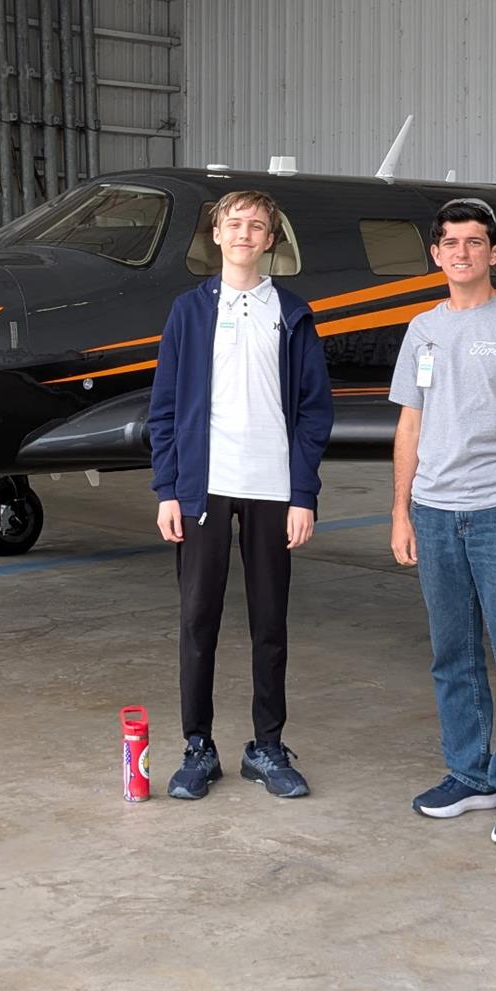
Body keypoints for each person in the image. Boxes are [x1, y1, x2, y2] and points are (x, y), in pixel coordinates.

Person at [148, 190, 333, 800]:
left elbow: (314, 411)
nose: (245, 234)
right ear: (217, 235)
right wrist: (168, 489)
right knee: (197, 620)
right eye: (234, 224)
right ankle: (197, 747)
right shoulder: (188, 312)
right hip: (203, 488)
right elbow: (165, 410)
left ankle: (267, 746)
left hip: (273, 490)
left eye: (256, 226)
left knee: (269, 623)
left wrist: (302, 494)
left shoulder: (293, 314)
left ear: (270, 240)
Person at [388, 197, 496, 847]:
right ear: (436, 254)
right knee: (452, 655)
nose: (462, 252)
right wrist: (401, 511)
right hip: (434, 513)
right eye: (451, 242)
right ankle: (470, 773)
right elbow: (410, 425)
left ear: (495, 252)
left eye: (474, 242)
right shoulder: (422, 329)